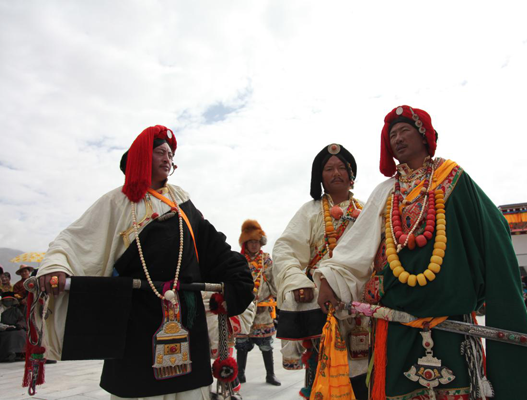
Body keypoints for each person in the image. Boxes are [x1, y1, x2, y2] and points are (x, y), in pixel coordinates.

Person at [315, 105, 527, 399]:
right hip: (396, 319)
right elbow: (357, 244)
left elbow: (493, 228)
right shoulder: (386, 191)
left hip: (450, 319)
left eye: (404, 131)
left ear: (424, 135)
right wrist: (329, 280)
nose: (398, 138)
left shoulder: (453, 178)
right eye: (392, 135)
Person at [36, 125, 254, 399]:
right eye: (161, 152)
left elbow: (211, 246)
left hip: (187, 314)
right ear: (141, 156)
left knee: (191, 391)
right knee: (138, 388)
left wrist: (237, 276)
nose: (168, 159)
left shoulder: (181, 201)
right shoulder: (117, 201)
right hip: (134, 315)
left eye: (171, 154)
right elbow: (76, 239)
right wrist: (56, 265)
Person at [273, 144, 368, 400]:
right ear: (320, 177)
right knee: (322, 378)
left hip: (364, 308)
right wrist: (297, 282)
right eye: (329, 169)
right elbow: (285, 249)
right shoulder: (310, 211)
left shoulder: (367, 210)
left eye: (342, 167)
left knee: (366, 382)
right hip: (322, 308)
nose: (336, 173)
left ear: (351, 174)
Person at [235, 220, 281, 386]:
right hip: (244, 310)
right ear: (245, 243)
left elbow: (273, 281)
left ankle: (270, 375)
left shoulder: (266, 260)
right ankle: (240, 375)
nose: (254, 245)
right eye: (251, 242)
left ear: (260, 242)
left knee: (266, 344)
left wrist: (278, 297)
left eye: (256, 241)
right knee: (241, 344)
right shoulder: (240, 260)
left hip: (262, 311)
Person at [0, 292, 27, 362]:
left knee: (22, 333)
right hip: (3, 331)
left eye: (10, 300)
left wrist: (19, 325)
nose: (8, 302)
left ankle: (22, 353)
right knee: (11, 335)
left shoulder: (16, 310)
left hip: (16, 328)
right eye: (6, 300)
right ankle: (9, 353)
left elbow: (21, 319)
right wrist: (6, 327)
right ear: (3, 301)